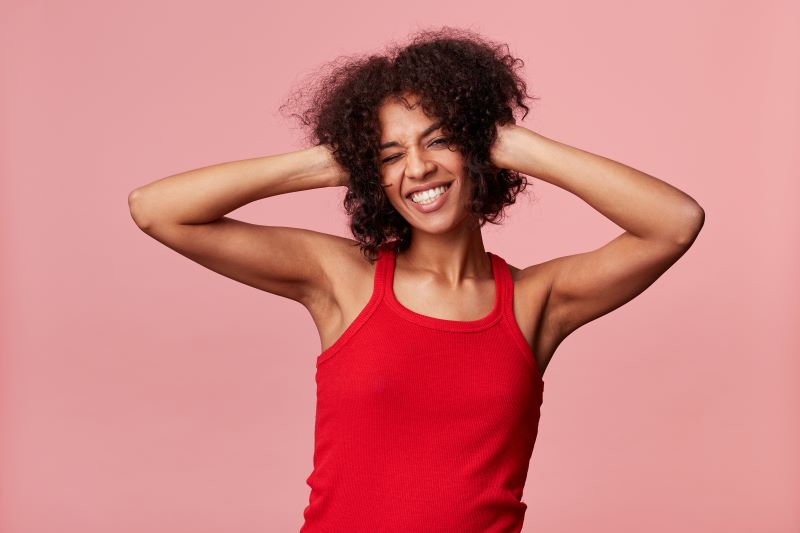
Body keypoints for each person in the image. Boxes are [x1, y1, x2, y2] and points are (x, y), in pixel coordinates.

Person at [128, 27, 704, 533]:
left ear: (477, 151)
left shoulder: (535, 302)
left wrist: (514, 144)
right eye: (390, 156)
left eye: (439, 140)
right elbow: (157, 208)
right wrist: (334, 160)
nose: (419, 168)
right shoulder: (342, 280)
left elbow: (674, 224)